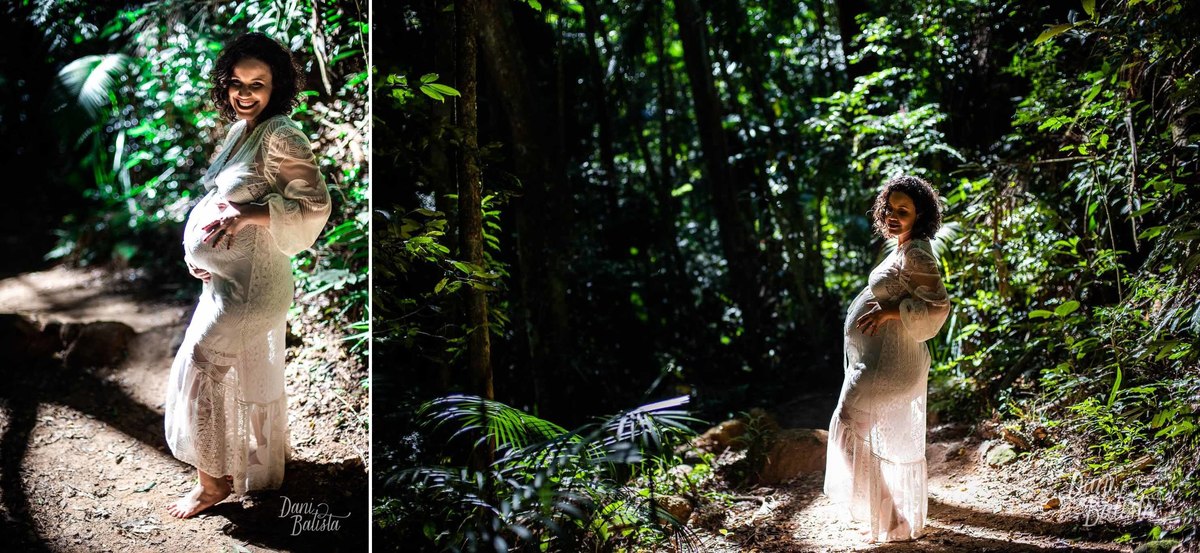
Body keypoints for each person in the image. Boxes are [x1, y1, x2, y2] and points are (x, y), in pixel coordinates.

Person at [163, 32, 331, 519]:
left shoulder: (282, 133)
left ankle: (213, 483)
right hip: (227, 284)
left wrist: (247, 217)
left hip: (252, 289)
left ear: (276, 85)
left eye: (257, 84)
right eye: (236, 82)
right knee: (247, 368)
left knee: (203, 366)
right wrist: (202, 254)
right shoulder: (246, 127)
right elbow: (226, 195)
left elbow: (315, 204)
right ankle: (261, 466)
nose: (244, 92)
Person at [823, 175, 950, 542]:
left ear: (919, 214)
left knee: (847, 429)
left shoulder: (917, 252)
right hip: (878, 360)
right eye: (890, 208)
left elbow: (939, 306)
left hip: (889, 364)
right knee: (852, 432)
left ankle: (892, 520)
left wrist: (891, 312)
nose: (894, 216)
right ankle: (890, 518)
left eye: (903, 210)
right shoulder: (903, 247)